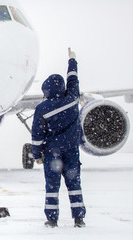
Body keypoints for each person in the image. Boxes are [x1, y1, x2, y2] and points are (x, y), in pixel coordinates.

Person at [31, 48, 86, 228]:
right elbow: (73, 79)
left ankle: (52, 219)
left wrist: (37, 155)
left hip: (52, 153)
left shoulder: (42, 108)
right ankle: (79, 218)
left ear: (46, 90)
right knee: (74, 184)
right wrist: (72, 61)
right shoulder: (72, 98)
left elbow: (37, 135)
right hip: (71, 151)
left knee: (52, 187)